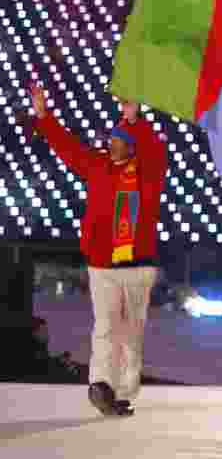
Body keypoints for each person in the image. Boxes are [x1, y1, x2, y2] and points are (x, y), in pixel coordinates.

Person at [31, 84, 167, 417]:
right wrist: (44, 117)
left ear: (131, 146)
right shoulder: (97, 165)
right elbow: (67, 148)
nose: (111, 145)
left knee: (131, 330)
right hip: (103, 264)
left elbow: (154, 150)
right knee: (106, 326)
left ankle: (121, 391)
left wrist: (133, 118)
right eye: (110, 140)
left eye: (118, 141)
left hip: (137, 266)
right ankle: (101, 386)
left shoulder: (149, 171)